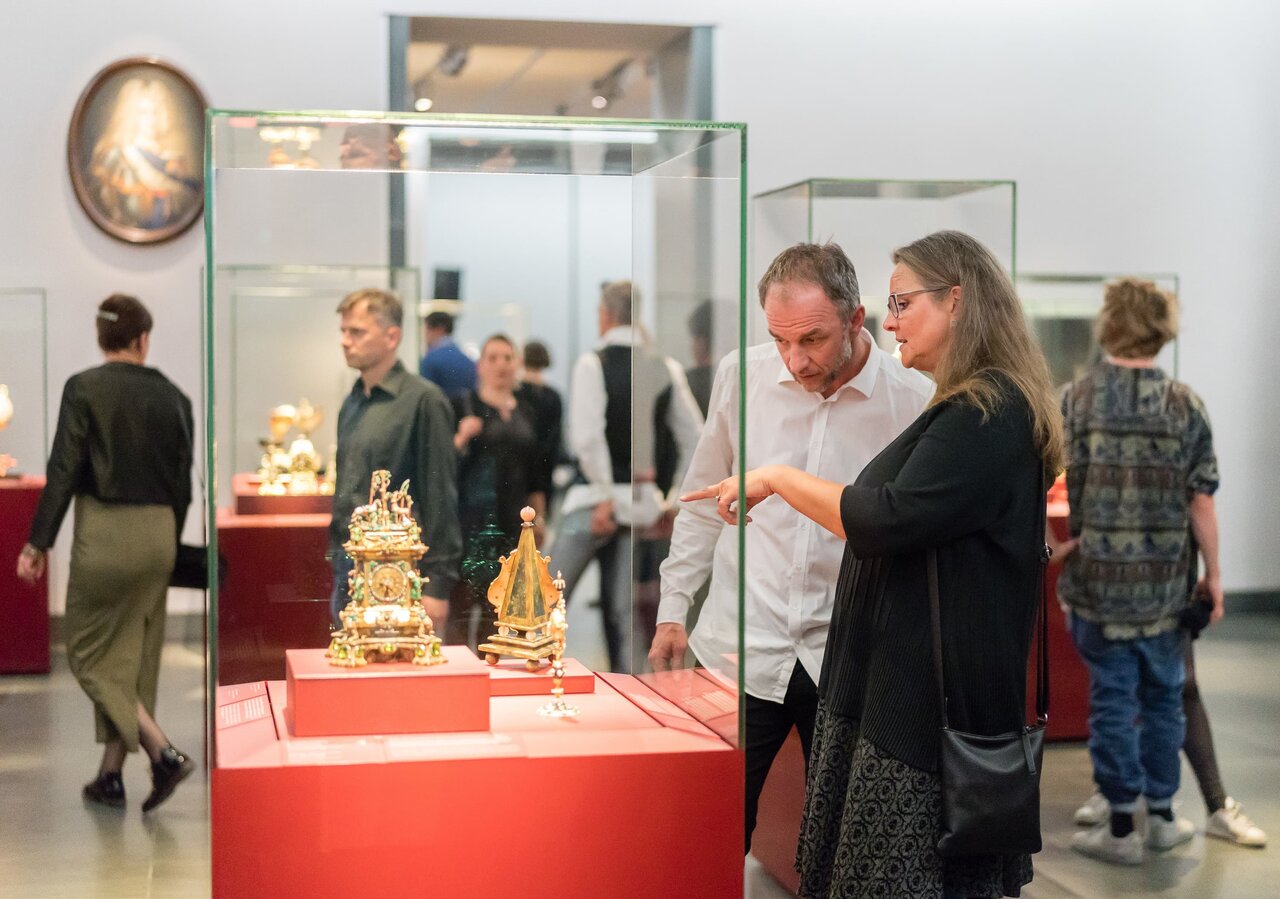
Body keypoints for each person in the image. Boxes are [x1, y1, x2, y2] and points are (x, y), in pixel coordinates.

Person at [689, 231, 1063, 898]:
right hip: (879, 682)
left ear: (957, 300)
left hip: (925, 705)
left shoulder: (983, 409)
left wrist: (776, 476)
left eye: (902, 302)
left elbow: (883, 517)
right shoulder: (972, 403)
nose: (893, 319)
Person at [649, 242, 933, 854]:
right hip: (741, 650)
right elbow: (701, 504)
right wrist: (674, 607)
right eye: (780, 340)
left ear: (857, 320)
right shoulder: (741, 375)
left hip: (854, 658)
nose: (795, 359)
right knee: (712, 836)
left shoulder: (912, 398)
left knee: (847, 848)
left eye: (812, 339)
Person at [1056, 277, 1266, 864]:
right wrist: (1215, 577)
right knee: (1166, 700)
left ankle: (1119, 826)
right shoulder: (1185, 404)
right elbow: (1202, 501)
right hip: (1167, 592)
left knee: (1113, 701)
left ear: (1108, 324)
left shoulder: (1075, 399)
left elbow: (1050, 478)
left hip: (1096, 587)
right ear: (1163, 328)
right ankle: (1165, 817)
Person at [15, 294, 196, 812]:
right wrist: (170, 543)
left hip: (106, 534)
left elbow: (65, 467)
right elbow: (184, 485)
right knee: (135, 657)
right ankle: (111, 776)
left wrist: (38, 542)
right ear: (144, 340)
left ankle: (162, 753)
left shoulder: (84, 388)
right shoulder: (174, 397)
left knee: (88, 652)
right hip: (160, 532)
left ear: (102, 338)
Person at [552, 280, 701, 673]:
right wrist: (672, 500)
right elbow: (695, 438)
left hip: (595, 504)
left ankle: (533, 680)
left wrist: (603, 493)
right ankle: (633, 699)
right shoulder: (664, 367)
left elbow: (586, 438)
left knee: (544, 595)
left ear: (604, 315)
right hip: (642, 505)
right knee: (625, 614)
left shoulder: (592, 363)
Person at [331, 289, 461, 634]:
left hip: (401, 573)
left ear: (392, 336)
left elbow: (440, 496)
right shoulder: (353, 402)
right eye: (343, 331)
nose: (345, 341)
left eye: (356, 332)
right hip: (349, 568)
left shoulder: (424, 401)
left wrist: (436, 586)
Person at [449, 334, 545, 647]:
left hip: (515, 520)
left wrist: (539, 519)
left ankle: (497, 668)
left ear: (517, 363)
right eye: (493, 358)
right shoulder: (463, 405)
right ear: (480, 365)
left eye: (507, 357)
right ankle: (461, 673)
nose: (501, 365)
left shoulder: (528, 411)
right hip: (472, 520)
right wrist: (462, 438)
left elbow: (536, 472)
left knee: (503, 604)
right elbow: (445, 463)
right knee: (466, 598)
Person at [514, 339, 563, 514]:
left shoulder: (515, 394)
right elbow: (555, 440)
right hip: (544, 471)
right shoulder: (553, 396)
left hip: (518, 472)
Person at [419, 310, 477, 403]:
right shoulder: (468, 361)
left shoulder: (431, 360)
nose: (425, 335)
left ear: (439, 329)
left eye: (427, 329)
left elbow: (425, 399)